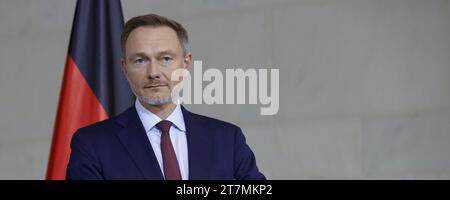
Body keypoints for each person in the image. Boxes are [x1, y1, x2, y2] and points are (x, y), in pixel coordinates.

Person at [66, 13, 265, 180]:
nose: (154, 72)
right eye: (140, 60)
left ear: (186, 63)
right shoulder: (92, 144)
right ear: (124, 68)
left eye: (166, 59)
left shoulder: (227, 139)